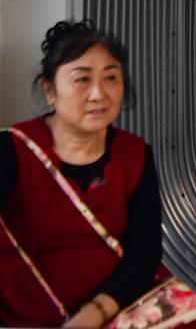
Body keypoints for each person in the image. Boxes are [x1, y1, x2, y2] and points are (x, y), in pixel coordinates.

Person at [1, 20, 162, 327]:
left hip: (117, 309)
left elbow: (144, 254)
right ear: (50, 90)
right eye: (82, 79)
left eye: (111, 77)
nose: (98, 94)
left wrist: (94, 314)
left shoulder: (136, 154)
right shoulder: (13, 150)